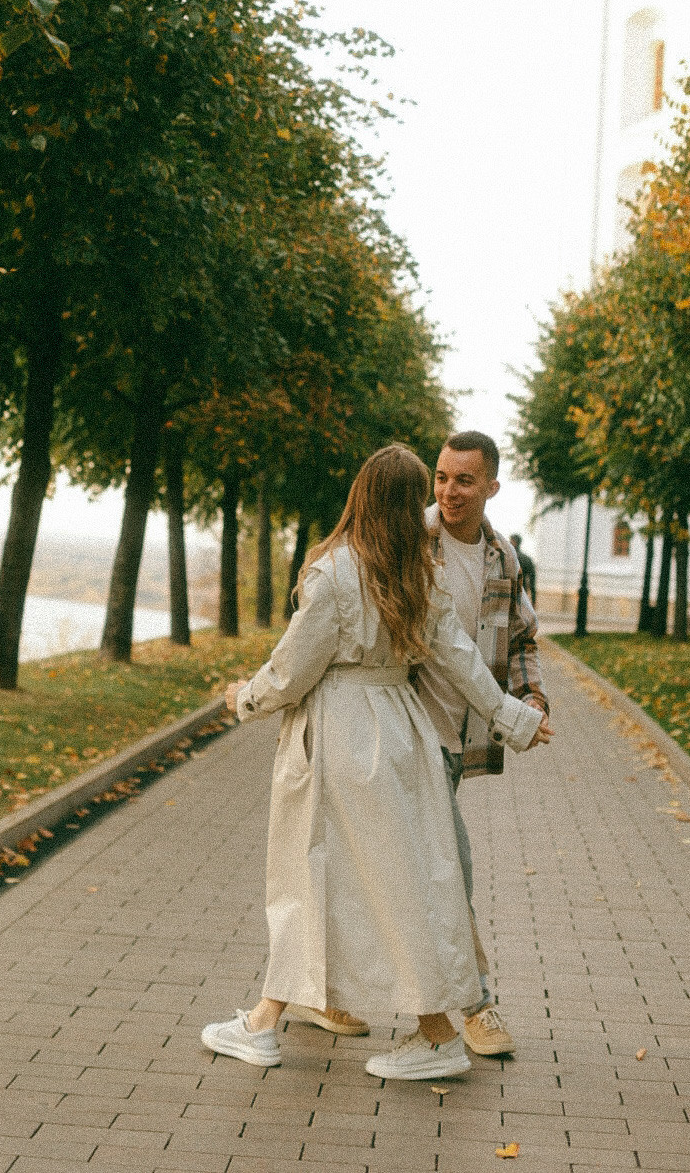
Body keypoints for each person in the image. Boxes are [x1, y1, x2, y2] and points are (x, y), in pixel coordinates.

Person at [200, 444, 552, 1081]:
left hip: (339, 733)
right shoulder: (419, 572)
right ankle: (269, 1020)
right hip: (402, 730)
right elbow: (461, 658)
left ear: (360, 494)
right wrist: (516, 718)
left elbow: (293, 667)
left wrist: (243, 699)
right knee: (393, 881)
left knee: (314, 876)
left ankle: (422, 1035)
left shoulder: (335, 571)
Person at [414, 431, 549, 1061]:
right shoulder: (411, 539)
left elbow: (521, 638)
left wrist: (533, 698)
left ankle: (315, 993)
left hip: (457, 739)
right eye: (441, 477)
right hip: (405, 728)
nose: (449, 492)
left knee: (396, 865)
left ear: (492, 486)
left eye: (464, 480)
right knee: (451, 865)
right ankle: (476, 1005)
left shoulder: (502, 558)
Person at [509, 532, 537, 604]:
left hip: (508, 592)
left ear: (514, 542)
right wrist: (533, 601)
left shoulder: (508, 558)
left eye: (510, 541)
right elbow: (532, 582)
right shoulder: (527, 559)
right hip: (522, 593)